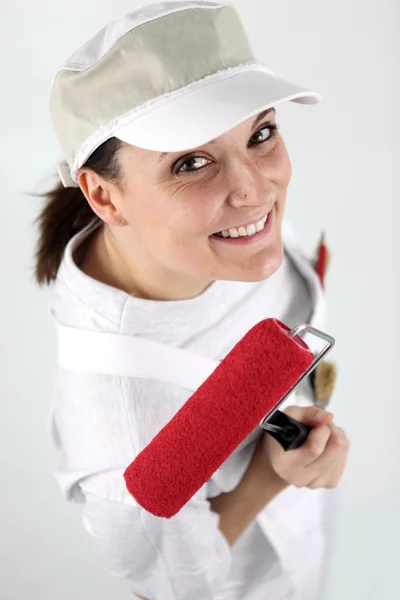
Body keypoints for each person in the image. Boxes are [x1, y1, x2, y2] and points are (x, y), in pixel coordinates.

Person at [34, 2, 350, 599]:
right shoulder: (120, 429)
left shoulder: (218, 231)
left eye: (261, 132)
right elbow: (174, 586)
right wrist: (267, 477)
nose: (256, 191)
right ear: (104, 197)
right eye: (192, 162)